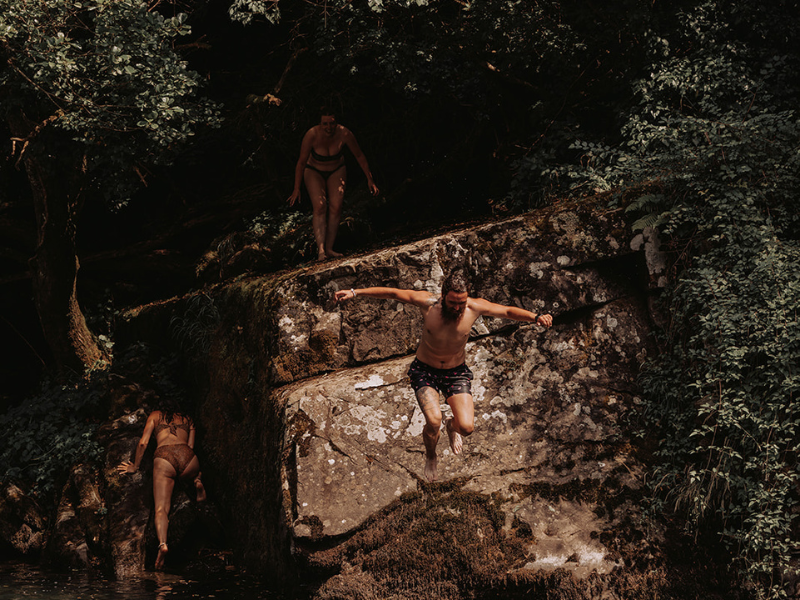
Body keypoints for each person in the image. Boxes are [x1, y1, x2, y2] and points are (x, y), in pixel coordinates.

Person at [335, 270, 553, 482]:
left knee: (466, 428)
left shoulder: (474, 307)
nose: (457, 307)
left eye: (462, 302)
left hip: (456, 373)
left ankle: (452, 426)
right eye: (452, 303)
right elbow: (392, 292)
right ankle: (431, 455)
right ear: (443, 295)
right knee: (433, 420)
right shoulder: (428, 304)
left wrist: (535, 317)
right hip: (424, 371)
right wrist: (355, 292)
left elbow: (506, 312)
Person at [117, 398, 207, 570]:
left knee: (161, 509)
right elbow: (191, 446)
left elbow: (143, 442)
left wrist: (135, 466)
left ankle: (163, 544)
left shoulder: (155, 416)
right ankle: (197, 481)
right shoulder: (188, 419)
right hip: (187, 458)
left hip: (164, 458)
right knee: (195, 470)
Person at [288, 108, 379, 262]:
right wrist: (296, 188)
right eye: (325, 124)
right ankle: (321, 250)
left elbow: (359, 155)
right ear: (320, 123)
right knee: (320, 206)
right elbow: (301, 162)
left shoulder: (344, 133)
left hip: (337, 169)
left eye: (332, 123)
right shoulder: (312, 134)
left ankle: (330, 248)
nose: (329, 127)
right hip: (314, 170)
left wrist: (370, 179)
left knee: (336, 207)